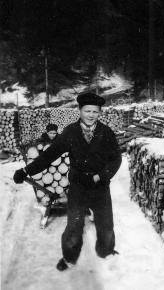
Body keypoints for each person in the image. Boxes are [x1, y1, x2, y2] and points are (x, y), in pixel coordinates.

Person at [13, 92, 122, 271]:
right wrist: (26, 170)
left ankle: (106, 251)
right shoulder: (70, 132)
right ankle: (70, 257)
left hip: (100, 188)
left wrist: (100, 176)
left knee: (106, 225)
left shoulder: (106, 132)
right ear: (79, 110)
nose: (91, 115)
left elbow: (116, 159)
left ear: (99, 113)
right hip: (78, 188)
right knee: (74, 226)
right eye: (87, 110)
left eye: (95, 111)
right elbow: (49, 155)